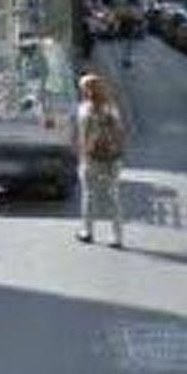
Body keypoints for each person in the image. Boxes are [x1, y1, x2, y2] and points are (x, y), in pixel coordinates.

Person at [75, 73, 127, 249]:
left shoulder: (84, 109)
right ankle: (117, 237)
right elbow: (120, 131)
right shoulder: (111, 108)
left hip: (91, 157)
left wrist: (82, 155)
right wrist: (118, 151)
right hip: (112, 158)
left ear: (84, 90)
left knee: (89, 195)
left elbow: (83, 135)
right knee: (113, 196)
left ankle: (87, 232)